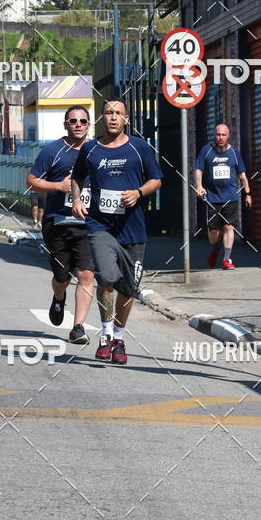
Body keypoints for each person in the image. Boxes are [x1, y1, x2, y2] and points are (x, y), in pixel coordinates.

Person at [71, 98, 162, 364]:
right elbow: (77, 176)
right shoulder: (89, 149)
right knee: (107, 277)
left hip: (132, 229)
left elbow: (156, 178)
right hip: (100, 226)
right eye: (108, 113)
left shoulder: (139, 147)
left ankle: (119, 338)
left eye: (118, 113)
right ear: (102, 118)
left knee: (128, 288)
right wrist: (77, 199)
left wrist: (138, 192)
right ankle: (106, 334)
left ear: (126, 119)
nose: (113, 117)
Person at [28, 106, 95, 345]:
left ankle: (78, 327)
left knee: (87, 273)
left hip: (88, 224)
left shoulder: (97, 150)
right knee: (62, 275)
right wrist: (59, 187)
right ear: (66, 124)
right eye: (73, 121)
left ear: (89, 125)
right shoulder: (53, 151)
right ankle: (59, 297)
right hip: (57, 222)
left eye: (83, 121)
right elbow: (32, 180)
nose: (78, 124)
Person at [194, 123, 252, 270]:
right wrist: (199, 186)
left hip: (231, 197)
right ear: (215, 135)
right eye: (218, 135)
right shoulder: (206, 151)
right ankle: (215, 249)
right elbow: (198, 169)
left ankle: (227, 259)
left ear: (228, 136)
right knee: (213, 230)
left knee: (228, 227)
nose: (220, 138)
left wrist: (248, 193)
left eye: (223, 135)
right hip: (212, 197)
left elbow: (242, 175)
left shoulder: (234, 153)